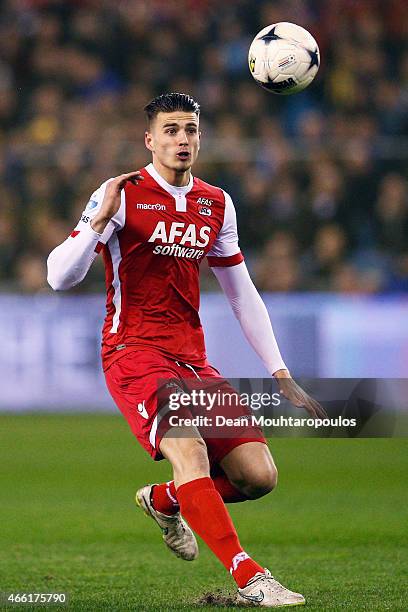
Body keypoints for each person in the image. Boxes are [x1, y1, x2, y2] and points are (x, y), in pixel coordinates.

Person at [47, 93, 326, 608]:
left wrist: (279, 369)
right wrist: (96, 221)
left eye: (191, 130)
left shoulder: (216, 202)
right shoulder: (121, 193)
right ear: (149, 140)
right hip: (134, 352)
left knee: (257, 476)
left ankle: (164, 498)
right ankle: (250, 577)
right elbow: (59, 278)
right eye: (171, 130)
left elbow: (242, 292)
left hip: (192, 359)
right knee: (190, 451)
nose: (183, 139)